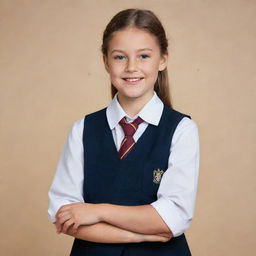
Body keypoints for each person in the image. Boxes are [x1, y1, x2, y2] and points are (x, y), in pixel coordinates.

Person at [48, 8, 200, 256]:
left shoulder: (182, 130)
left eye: (143, 56)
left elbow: (172, 219)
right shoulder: (82, 130)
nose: (132, 67)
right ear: (106, 62)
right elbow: (64, 215)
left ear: (162, 60)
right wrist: (140, 234)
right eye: (120, 57)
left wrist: (97, 211)